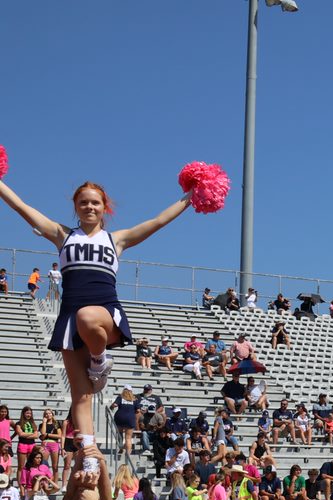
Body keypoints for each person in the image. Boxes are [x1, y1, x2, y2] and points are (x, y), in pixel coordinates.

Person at [0, 176, 195, 457]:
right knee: (80, 395)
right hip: (69, 318)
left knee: (89, 317)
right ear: (76, 207)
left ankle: (99, 360)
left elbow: (158, 220)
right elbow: (20, 206)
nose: (89, 206)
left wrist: (192, 195)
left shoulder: (117, 239)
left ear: (105, 207)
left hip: (104, 313)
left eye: (95, 202)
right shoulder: (61, 234)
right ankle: (90, 452)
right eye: (83, 202)